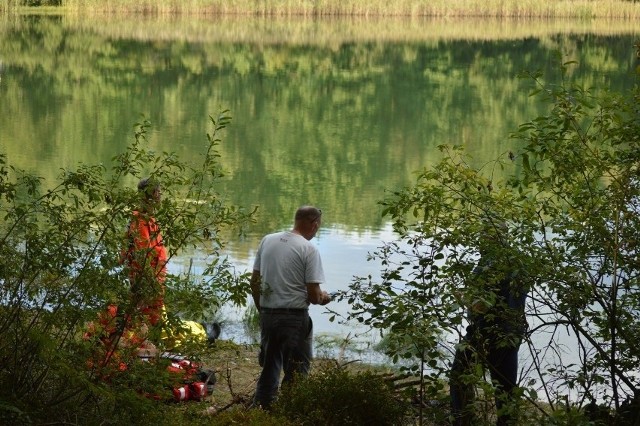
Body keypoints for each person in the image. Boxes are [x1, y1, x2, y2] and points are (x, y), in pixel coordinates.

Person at [250, 205, 332, 409]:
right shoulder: (309, 249)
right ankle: (291, 410)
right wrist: (323, 298)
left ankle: (262, 409)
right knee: (297, 369)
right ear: (314, 224)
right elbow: (313, 296)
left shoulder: (268, 240)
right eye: (318, 226)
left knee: (270, 366)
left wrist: (263, 310)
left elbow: (254, 282)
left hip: (268, 314)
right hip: (294, 318)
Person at [449, 223, 528, 426]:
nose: (479, 240)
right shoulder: (518, 261)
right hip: (512, 334)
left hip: (484, 333)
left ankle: (463, 420)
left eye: (483, 236)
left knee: (459, 377)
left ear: (491, 238)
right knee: (506, 391)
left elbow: (482, 306)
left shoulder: (490, 264)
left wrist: (462, 296)